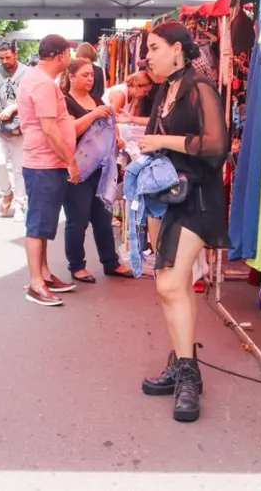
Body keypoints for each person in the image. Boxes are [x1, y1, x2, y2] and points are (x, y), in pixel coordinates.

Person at [136, 22, 229, 423]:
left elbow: (216, 146)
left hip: (200, 198)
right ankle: (182, 363)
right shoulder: (165, 89)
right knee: (174, 286)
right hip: (169, 197)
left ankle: (188, 374)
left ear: (178, 49)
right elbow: (154, 137)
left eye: (154, 48)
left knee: (170, 282)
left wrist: (162, 142)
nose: (148, 56)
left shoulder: (199, 86)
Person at [15, 35, 80, 307]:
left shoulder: (36, 78)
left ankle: (43, 274)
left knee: (43, 224)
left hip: (42, 161)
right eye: (69, 54)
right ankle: (36, 283)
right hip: (45, 162)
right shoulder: (42, 83)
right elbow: (50, 130)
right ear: (62, 55)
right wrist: (70, 161)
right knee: (38, 224)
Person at [60, 58, 133, 282]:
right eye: (85, 75)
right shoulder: (64, 101)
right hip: (77, 169)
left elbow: (109, 126)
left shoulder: (95, 99)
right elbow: (68, 131)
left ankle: (110, 262)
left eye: (92, 74)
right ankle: (76, 265)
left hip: (101, 169)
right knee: (78, 219)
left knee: (103, 217)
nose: (90, 79)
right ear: (71, 77)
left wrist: (118, 140)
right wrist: (92, 115)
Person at [0, 40, 28, 218]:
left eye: (8, 57)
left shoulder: (28, 73)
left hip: (21, 129)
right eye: (1, 58)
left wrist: (14, 107)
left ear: (16, 54)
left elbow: (32, 98)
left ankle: (20, 204)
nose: (5, 61)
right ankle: (7, 192)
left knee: (19, 169)